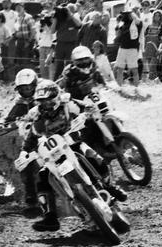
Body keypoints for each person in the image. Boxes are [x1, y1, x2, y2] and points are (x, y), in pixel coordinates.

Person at [21, 80, 126, 232]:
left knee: (92, 156)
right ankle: (50, 217)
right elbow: (29, 137)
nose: (46, 105)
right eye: (42, 102)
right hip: (52, 153)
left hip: (71, 142)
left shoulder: (67, 103)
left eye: (49, 101)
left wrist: (88, 111)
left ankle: (110, 187)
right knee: (42, 178)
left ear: (57, 98)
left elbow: (84, 106)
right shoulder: (35, 114)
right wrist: (24, 152)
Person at [0, 68, 40, 204]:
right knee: (25, 162)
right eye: (23, 89)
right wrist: (4, 124)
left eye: (28, 88)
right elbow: (8, 118)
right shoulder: (20, 104)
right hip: (34, 137)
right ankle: (31, 194)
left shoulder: (44, 94)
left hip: (54, 128)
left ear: (34, 85)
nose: (26, 91)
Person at [113, 7, 142, 92]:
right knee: (120, 69)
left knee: (134, 69)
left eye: (127, 15)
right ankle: (119, 88)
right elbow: (117, 35)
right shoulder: (122, 25)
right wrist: (119, 22)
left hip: (132, 49)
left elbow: (139, 22)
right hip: (122, 48)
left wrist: (132, 14)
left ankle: (136, 88)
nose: (125, 16)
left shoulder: (136, 24)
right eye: (124, 15)